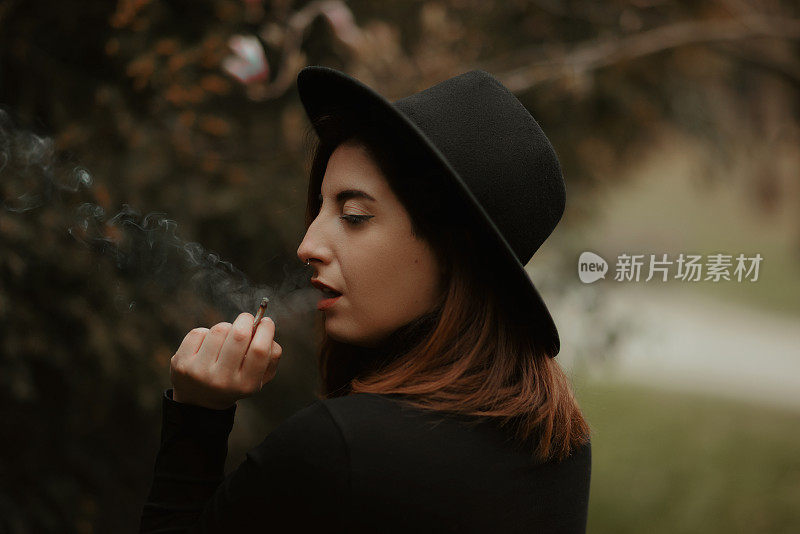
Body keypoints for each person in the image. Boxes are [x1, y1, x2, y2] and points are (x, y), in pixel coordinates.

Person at [140, 66, 592, 533]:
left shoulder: (338, 449)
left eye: (353, 215)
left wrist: (197, 417)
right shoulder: (559, 446)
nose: (307, 245)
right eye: (319, 209)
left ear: (455, 250)